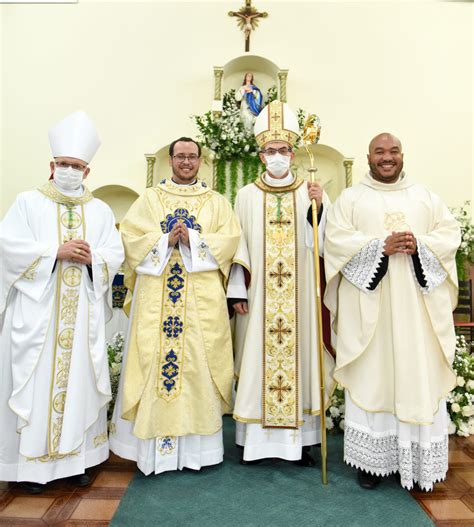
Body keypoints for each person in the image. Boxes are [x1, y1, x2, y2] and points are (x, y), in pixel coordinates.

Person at [324, 133, 461, 491]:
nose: (387, 158)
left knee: (417, 373)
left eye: (394, 151)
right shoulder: (351, 199)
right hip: (371, 312)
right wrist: (378, 247)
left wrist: (421, 245)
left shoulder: (425, 196)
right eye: (380, 152)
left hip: (417, 310)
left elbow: (449, 235)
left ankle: (417, 462)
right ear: (368, 157)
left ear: (403, 155)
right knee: (374, 375)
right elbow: (335, 241)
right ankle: (372, 463)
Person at [0, 110, 124, 493]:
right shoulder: (27, 203)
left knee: (80, 384)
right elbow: (8, 247)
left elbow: (113, 252)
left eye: (77, 166)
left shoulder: (100, 210)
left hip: (81, 313)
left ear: (88, 172)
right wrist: (55, 251)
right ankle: (27, 470)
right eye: (64, 164)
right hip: (37, 315)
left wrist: (95, 260)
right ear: (52, 166)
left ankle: (75, 462)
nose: (70, 170)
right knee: (32, 385)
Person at [109, 137, 241, 475]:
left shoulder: (216, 202)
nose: (186, 162)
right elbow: (131, 237)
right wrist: (165, 240)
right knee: (154, 360)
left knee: (198, 363)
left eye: (192, 157)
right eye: (180, 156)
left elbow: (230, 242)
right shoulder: (151, 199)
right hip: (157, 296)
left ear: (200, 161)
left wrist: (194, 240)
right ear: (170, 160)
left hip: (201, 301)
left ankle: (199, 453)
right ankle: (156, 453)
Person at [228, 100, 335, 466]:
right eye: (270, 151)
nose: (277, 156)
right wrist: (237, 290)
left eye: (283, 150)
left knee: (302, 359)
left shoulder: (313, 191)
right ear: (261, 156)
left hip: (300, 298)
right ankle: (253, 442)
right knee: (256, 358)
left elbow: (322, 246)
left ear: (293, 153)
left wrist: (321, 212)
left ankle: (301, 442)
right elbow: (235, 244)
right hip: (259, 298)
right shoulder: (245, 195)